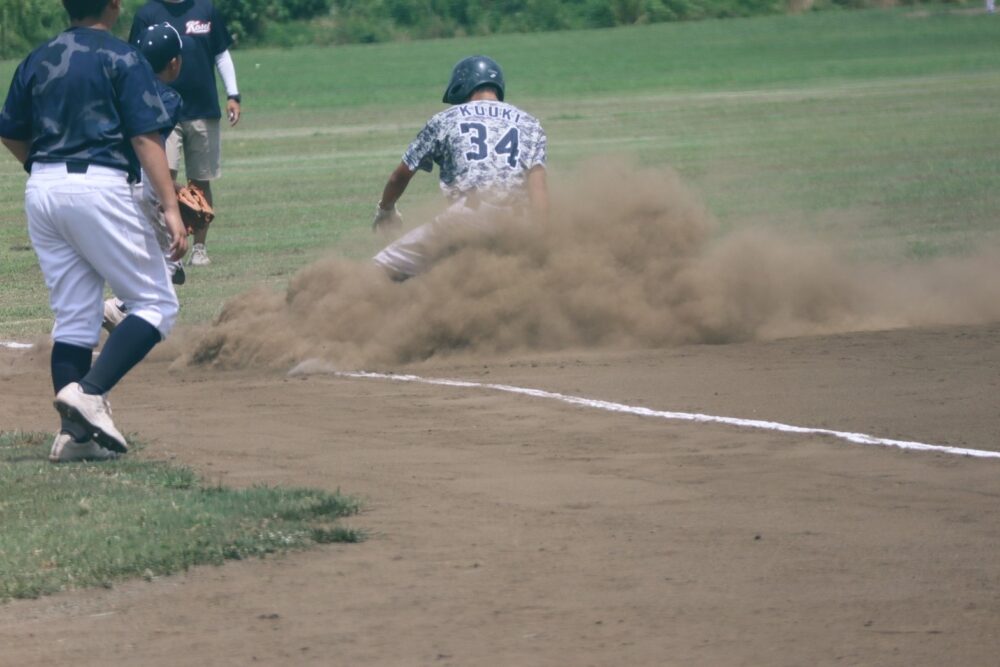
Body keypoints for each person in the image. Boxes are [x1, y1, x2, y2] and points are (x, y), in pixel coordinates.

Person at [0, 0, 187, 463]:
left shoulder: (38, 57)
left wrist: (43, 170)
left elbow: (9, 130)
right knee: (156, 304)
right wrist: (170, 206)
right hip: (98, 186)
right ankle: (89, 392)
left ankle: (75, 439)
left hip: (41, 189)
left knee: (76, 319)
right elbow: (146, 138)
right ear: (115, 6)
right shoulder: (122, 57)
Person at [372, 55, 548, 280]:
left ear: (462, 85)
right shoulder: (529, 123)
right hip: (516, 222)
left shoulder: (445, 119)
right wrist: (542, 239)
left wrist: (386, 209)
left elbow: (401, 176)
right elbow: (539, 190)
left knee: (379, 270)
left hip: (468, 217)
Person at [129, 0, 241, 267]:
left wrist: (233, 94)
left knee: (200, 182)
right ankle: (170, 250)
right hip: (161, 112)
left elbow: (221, 53)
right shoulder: (147, 14)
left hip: (202, 109)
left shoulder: (206, 9)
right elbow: (135, 60)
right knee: (162, 179)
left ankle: (199, 248)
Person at [103, 21, 190, 331]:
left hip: (110, 178)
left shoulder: (118, 85)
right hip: (143, 183)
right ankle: (119, 308)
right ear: (174, 63)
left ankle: (113, 308)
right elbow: (147, 146)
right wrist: (170, 199)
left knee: (144, 253)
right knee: (169, 260)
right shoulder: (169, 99)